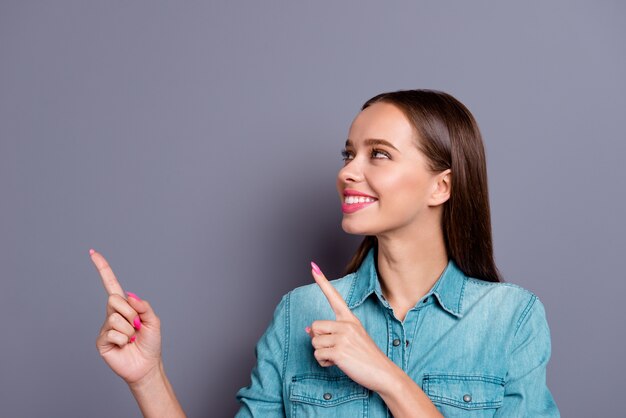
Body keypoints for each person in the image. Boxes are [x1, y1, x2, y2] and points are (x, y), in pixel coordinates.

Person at [91, 89, 560, 417]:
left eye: (378, 154)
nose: (348, 172)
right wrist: (147, 376)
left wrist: (386, 376)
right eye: (348, 154)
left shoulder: (510, 318)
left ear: (441, 186)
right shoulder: (301, 311)